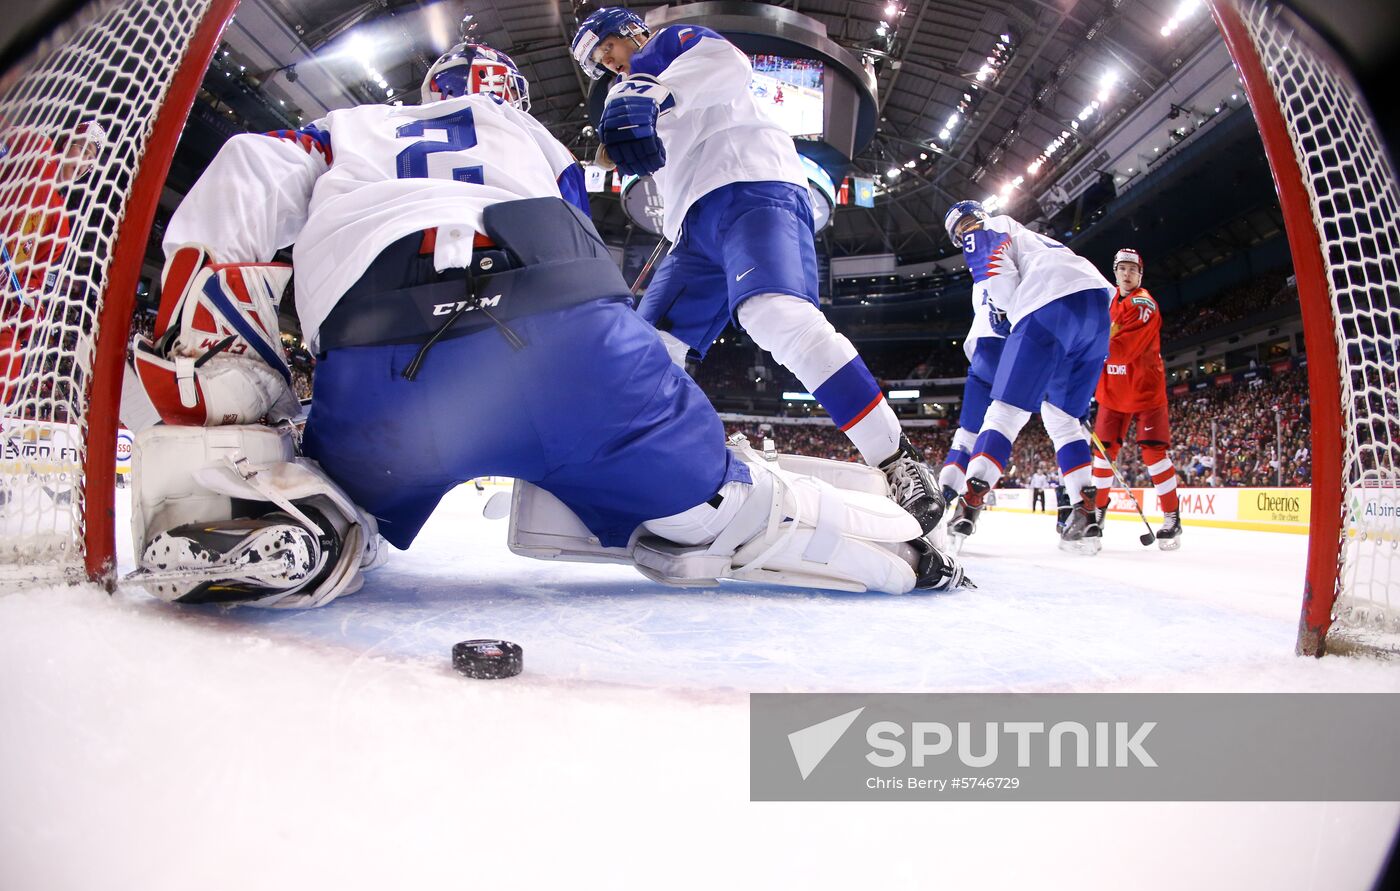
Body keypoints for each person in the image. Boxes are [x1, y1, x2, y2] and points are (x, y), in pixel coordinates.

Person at [126, 41, 971, 608]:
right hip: (562, 338)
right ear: (514, 98)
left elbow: (243, 170)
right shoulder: (537, 138)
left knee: (356, 507)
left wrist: (230, 366)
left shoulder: (349, 128)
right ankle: (903, 554)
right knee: (720, 513)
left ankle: (310, 524)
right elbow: (579, 247)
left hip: (385, 359)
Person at [570, 7, 946, 536]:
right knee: (648, 351)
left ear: (629, 31)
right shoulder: (624, 91)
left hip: (752, 183)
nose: (608, 62)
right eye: (599, 61)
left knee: (774, 315)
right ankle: (645, 470)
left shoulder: (667, 47)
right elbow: (625, 154)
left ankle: (896, 458)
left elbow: (729, 63)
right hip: (689, 225)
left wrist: (654, 96)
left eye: (606, 47)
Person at [941, 200, 1112, 554]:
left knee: (1004, 413)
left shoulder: (987, 230)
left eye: (963, 230)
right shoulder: (1032, 238)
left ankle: (970, 501)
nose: (966, 235)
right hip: (1097, 307)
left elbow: (996, 276)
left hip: (1046, 306)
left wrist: (1006, 309)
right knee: (1063, 420)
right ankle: (1086, 513)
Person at [1, 120, 106, 406]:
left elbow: (34, 281)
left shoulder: (60, 222)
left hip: (2, 302)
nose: (84, 162)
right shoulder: (37, 149)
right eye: (81, 149)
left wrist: (31, 305)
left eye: (91, 158)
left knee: (9, 357)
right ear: (64, 144)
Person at [1089, 248, 1182, 549]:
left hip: (1145, 392)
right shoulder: (1108, 301)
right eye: (1122, 269)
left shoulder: (1145, 305)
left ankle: (1172, 517)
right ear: (1115, 273)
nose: (1127, 274)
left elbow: (1122, 351)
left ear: (1140, 275)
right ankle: (1096, 516)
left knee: (1154, 454)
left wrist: (1083, 348)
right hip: (1112, 393)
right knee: (1102, 458)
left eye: (1133, 269)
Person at [937, 282, 1006, 540]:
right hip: (1019, 347)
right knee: (1002, 423)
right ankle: (971, 503)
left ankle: (941, 500)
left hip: (983, 349)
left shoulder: (982, 273)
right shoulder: (1032, 258)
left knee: (967, 434)